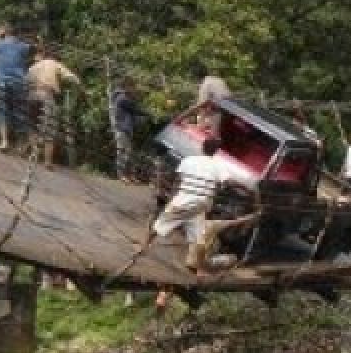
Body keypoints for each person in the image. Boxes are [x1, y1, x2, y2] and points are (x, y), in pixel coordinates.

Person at [140, 137, 259, 273]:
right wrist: (246, 188)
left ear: (202, 147)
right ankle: (194, 269)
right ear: (216, 151)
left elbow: (178, 182)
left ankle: (143, 246)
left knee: (159, 225)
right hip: (201, 204)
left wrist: (172, 198)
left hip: (182, 200)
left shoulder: (188, 160)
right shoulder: (218, 165)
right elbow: (229, 182)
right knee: (197, 238)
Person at [26, 46, 79, 167]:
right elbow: (70, 76)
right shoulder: (55, 64)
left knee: (32, 126)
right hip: (47, 95)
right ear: (56, 57)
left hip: (31, 96)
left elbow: (26, 81)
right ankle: (47, 161)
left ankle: (34, 154)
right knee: (49, 129)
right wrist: (79, 84)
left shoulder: (34, 66)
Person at [0, 24, 32, 151]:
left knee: (2, 111)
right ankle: (21, 144)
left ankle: (4, 142)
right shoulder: (23, 46)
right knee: (20, 113)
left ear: (5, 33)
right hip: (19, 83)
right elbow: (32, 48)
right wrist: (23, 39)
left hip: (2, 82)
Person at [111, 78, 145, 183]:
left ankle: (128, 175)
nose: (134, 90)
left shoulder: (125, 98)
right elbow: (136, 109)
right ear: (126, 87)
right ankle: (122, 176)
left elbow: (134, 111)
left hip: (126, 129)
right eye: (132, 87)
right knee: (123, 153)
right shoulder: (123, 98)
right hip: (122, 129)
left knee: (128, 153)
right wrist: (147, 114)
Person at [195, 68, 231, 134]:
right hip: (232, 107)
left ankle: (210, 133)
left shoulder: (205, 84)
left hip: (220, 107)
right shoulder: (217, 79)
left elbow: (202, 105)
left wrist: (200, 124)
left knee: (212, 123)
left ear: (198, 78)